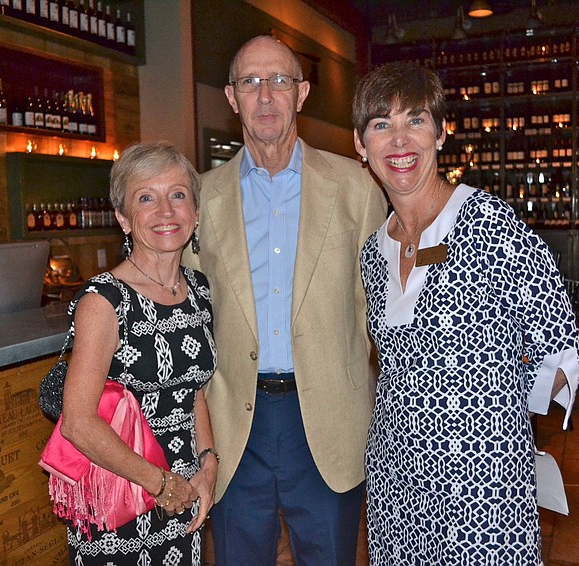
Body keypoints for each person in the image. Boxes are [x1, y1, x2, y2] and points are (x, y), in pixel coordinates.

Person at [351, 61, 579, 565]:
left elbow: (562, 351)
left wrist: (488, 416)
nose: (399, 140)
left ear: (441, 133)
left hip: (481, 492)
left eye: (415, 120)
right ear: (360, 145)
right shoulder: (373, 252)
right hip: (395, 484)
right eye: (381, 124)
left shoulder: (489, 223)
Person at [183, 35, 387, 565]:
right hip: (235, 427)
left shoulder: (357, 189)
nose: (266, 95)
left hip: (328, 422)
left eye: (279, 80)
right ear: (232, 97)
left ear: (302, 93)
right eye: (251, 82)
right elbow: (188, 316)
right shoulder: (200, 199)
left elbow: (380, 317)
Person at [58, 141, 218, 565]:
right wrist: (159, 483)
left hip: (183, 496)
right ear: (124, 219)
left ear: (195, 212)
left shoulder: (199, 291)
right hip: (121, 498)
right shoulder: (104, 300)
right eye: (146, 198)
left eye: (178, 195)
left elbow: (195, 391)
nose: (166, 211)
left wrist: (208, 466)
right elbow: (77, 422)